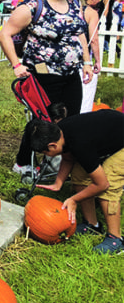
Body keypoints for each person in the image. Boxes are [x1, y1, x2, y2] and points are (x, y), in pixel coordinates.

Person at [0, 0, 92, 118]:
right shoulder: (34, 6)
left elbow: (79, 33)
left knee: (72, 119)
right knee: (46, 122)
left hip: (72, 74)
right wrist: (16, 65)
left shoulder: (74, 3)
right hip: (44, 75)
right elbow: (4, 34)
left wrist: (87, 63)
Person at [29, 109, 124, 254]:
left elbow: (102, 184)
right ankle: (92, 225)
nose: (46, 156)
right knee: (79, 175)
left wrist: (73, 199)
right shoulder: (61, 132)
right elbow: (68, 158)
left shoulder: (81, 144)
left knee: (110, 181)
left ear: (52, 146)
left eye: (45, 153)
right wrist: (58, 182)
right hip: (108, 131)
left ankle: (116, 239)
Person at [77, 0, 102, 113]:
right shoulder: (91, 13)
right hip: (84, 59)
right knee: (86, 97)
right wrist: (97, 61)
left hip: (68, 57)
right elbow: (94, 39)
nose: (99, 1)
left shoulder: (72, 7)